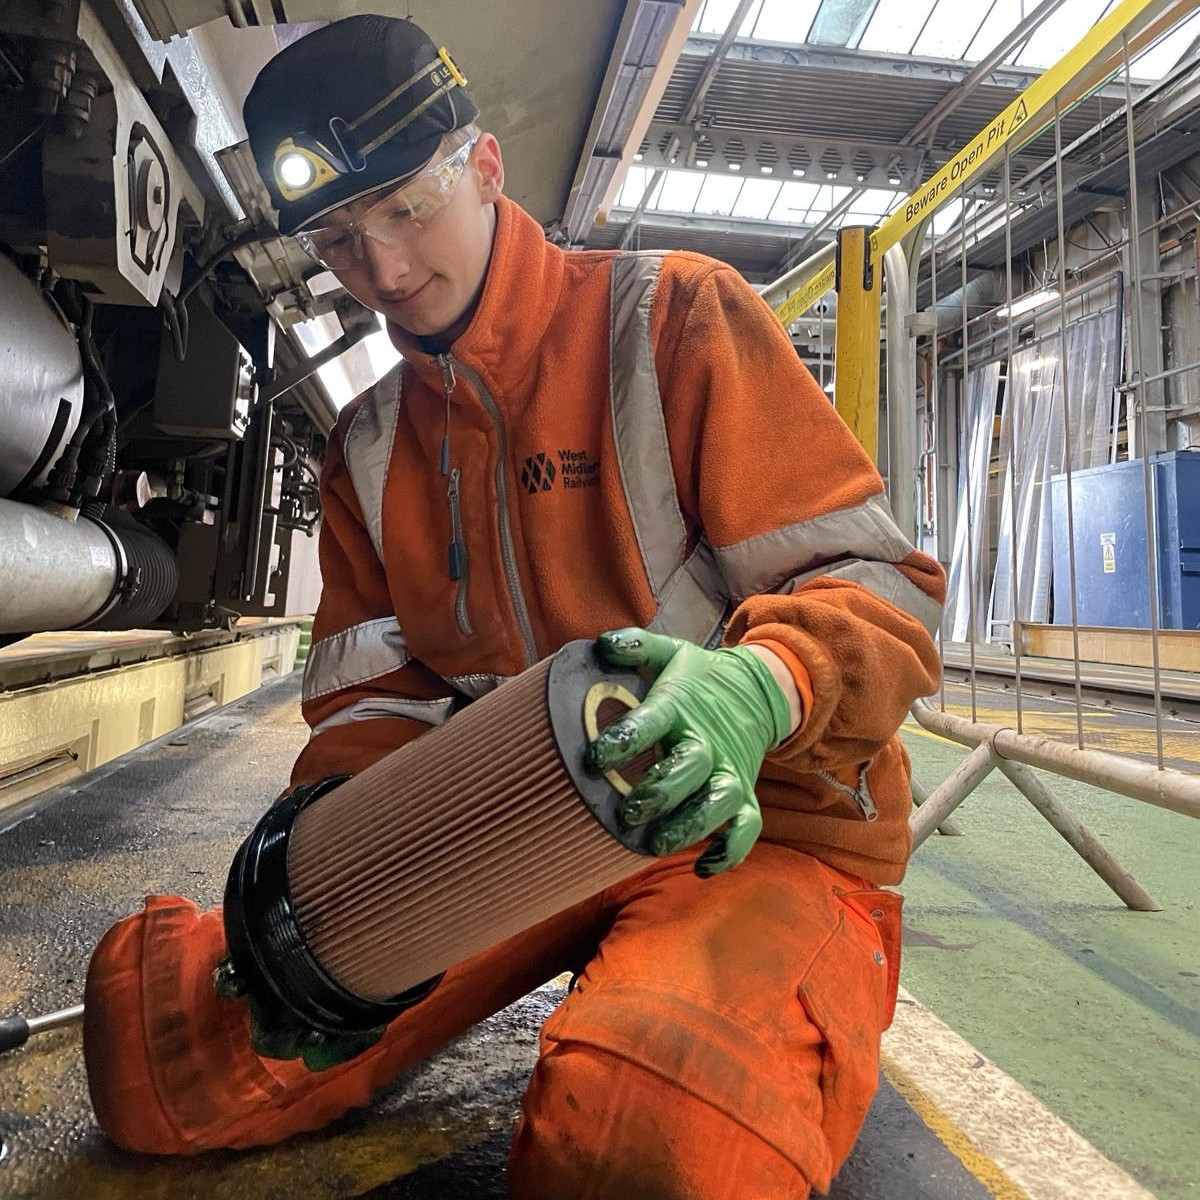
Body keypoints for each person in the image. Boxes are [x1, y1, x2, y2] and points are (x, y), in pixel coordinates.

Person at [82, 15, 944, 1199]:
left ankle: (741, 999)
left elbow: (881, 587)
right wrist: (324, 866)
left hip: (757, 830)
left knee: (639, 1140)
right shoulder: (368, 445)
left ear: (484, 168)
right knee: (164, 1051)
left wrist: (760, 687)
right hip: (507, 834)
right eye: (338, 238)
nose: (380, 267)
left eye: (404, 208)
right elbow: (373, 705)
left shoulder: (676, 318)